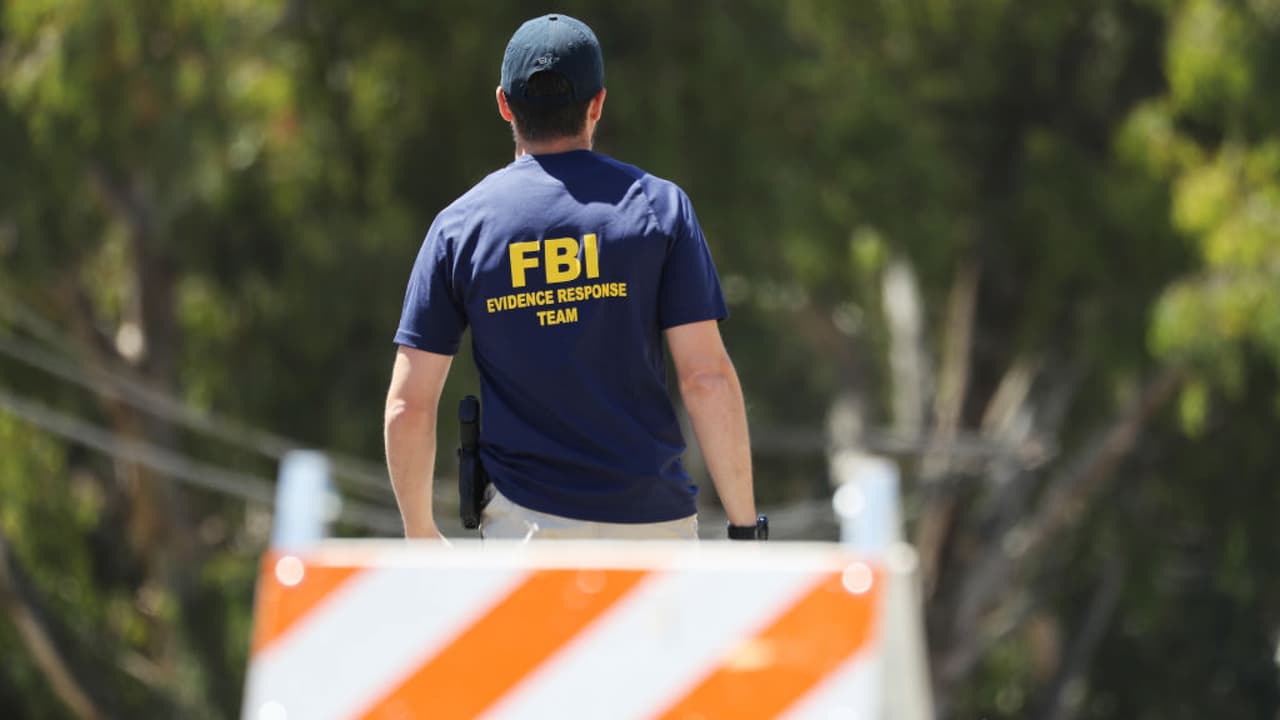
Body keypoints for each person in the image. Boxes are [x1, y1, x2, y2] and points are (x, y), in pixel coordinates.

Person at [384, 13, 764, 541]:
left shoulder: (460, 227)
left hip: (524, 528)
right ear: (597, 104)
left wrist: (420, 532)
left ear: (504, 105)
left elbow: (409, 403)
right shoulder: (660, 208)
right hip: (653, 524)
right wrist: (745, 527)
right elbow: (706, 378)